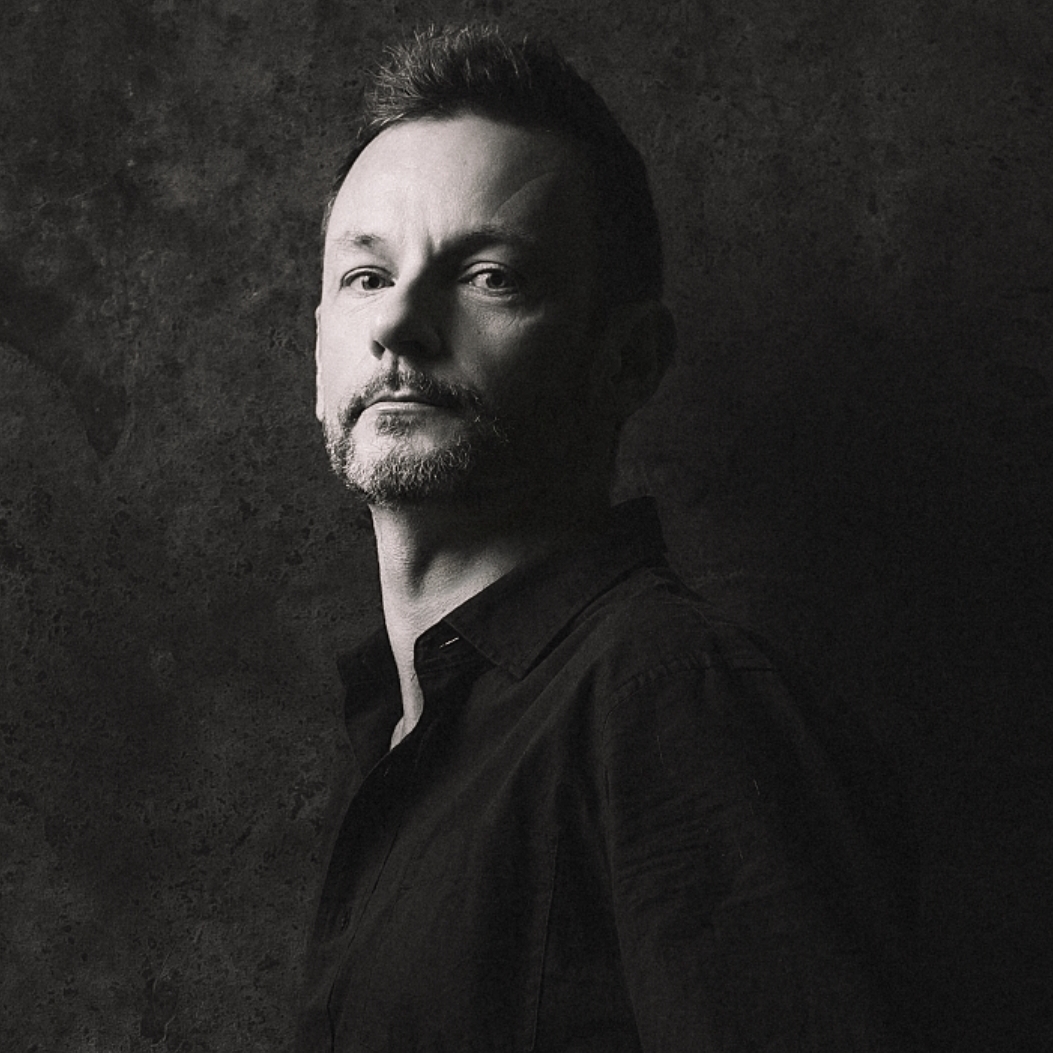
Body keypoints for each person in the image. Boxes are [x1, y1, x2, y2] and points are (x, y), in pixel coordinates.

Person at [298, 23, 914, 1053]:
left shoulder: (673, 696)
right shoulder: (404, 737)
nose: (399, 325)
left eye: (489, 276)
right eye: (366, 277)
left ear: (627, 361)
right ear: (316, 347)